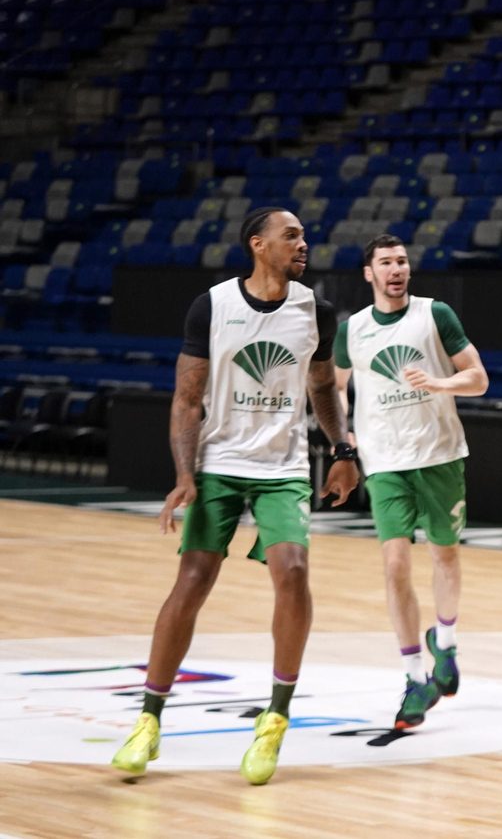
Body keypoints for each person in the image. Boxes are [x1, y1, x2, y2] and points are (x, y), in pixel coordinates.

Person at [112, 207, 358, 784]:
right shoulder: (213, 305)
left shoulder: (315, 310)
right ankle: (149, 720)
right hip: (220, 462)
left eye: (302, 236)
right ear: (258, 244)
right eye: (290, 235)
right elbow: (186, 398)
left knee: (293, 572)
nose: (303, 244)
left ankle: (274, 719)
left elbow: (323, 386)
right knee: (193, 580)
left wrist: (343, 451)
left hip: (284, 465)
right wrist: (184, 473)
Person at [333, 234, 487, 729]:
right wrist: (345, 438)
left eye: (401, 261)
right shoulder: (350, 330)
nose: (396, 269)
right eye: (386, 263)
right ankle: (413, 678)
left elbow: (479, 378)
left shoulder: (434, 314)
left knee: (445, 554)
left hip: (439, 455)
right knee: (395, 564)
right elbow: (333, 388)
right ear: (369, 273)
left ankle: (445, 640)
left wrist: (442, 383)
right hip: (384, 462)